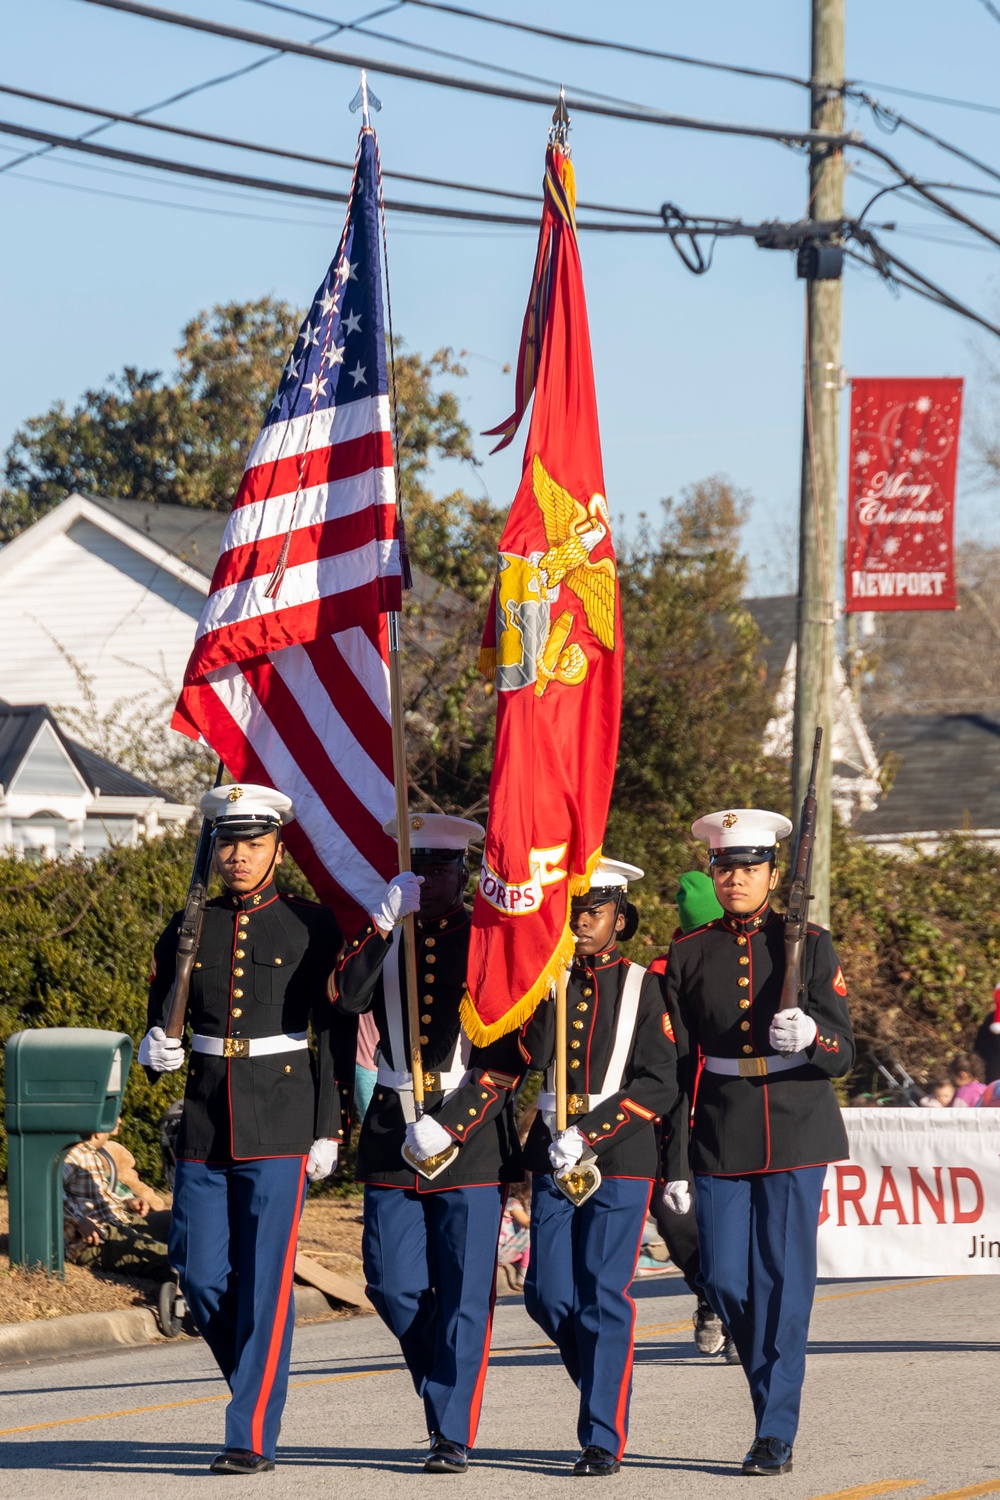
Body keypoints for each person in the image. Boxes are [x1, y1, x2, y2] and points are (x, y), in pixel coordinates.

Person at [140, 782, 355, 1476]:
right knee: (200, 1273)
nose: (238, 855)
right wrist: (153, 1048)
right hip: (205, 1119)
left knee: (265, 1282)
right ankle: (260, 1390)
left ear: (277, 848)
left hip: (283, 1121)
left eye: (253, 843)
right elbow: (161, 1012)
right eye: (228, 842)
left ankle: (251, 1432)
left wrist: (330, 1126)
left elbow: (334, 1033)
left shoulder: (309, 924)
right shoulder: (187, 925)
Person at [663, 808, 855, 1478]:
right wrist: (675, 1157)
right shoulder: (690, 954)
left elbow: (845, 1050)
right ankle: (770, 1390)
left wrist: (814, 1038)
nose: (735, 879)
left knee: (784, 1283)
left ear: (774, 874)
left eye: (748, 868)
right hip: (720, 1127)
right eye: (725, 867)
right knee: (722, 1278)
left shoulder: (810, 942)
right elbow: (678, 1066)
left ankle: (773, 1428)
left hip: (796, 1125)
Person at [331, 813, 524, 1476]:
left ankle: (450, 1431)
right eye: (422, 866)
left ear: (464, 873)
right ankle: (446, 1379)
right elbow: (344, 996)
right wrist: (384, 921)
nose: (432, 878)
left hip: (466, 1128)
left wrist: (457, 1117)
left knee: (466, 1291)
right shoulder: (384, 930)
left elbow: (509, 1052)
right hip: (392, 1118)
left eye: (444, 867)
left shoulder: (487, 939)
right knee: (390, 1282)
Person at [519, 859, 677, 1478]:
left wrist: (591, 1133)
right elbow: (518, 1054)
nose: (583, 923)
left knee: (602, 1293)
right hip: (552, 1146)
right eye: (574, 912)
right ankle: (604, 1384)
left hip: (620, 1151)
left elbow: (659, 1083)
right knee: (547, 1294)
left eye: (596, 912)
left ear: (620, 917)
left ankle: (601, 1435)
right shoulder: (546, 980)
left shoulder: (645, 986)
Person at [648, 872, 738, 1362]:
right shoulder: (658, 978)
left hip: (730, 1110)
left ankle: (738, 1314)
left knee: (733, 1223)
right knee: (676, 1222)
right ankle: (708, 1294)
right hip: (672, 1117)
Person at [62, 1122, 173, 1281]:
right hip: (98, 1239)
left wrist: (128, 1203)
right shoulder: (73, 1155)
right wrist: (79, 1221)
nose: (120, 1121)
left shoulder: (91, 1154)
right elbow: (47, 1191)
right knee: (163, 1257)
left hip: (121, 1222)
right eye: (115, 1116)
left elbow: (97, 1197)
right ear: (97, 1131)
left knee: (177, 1222)